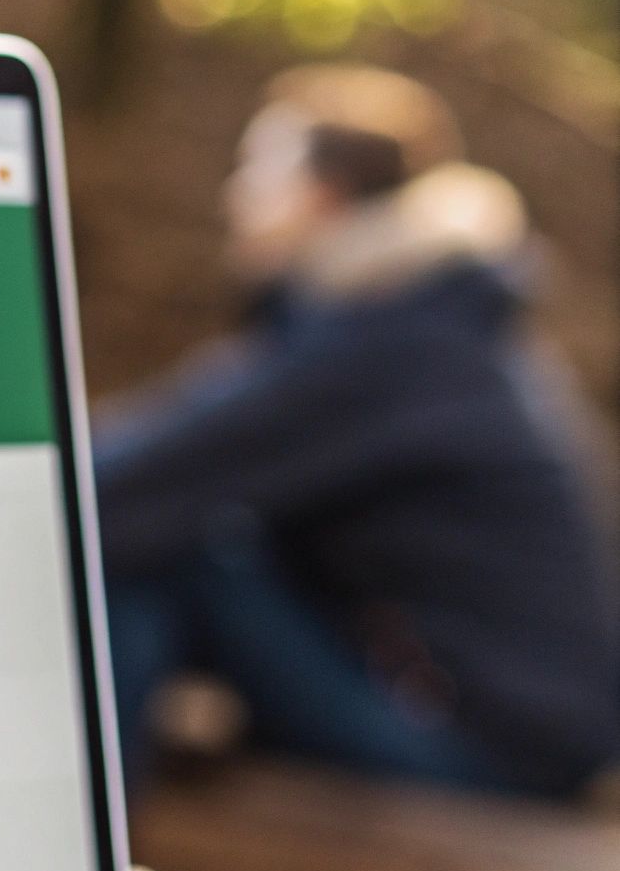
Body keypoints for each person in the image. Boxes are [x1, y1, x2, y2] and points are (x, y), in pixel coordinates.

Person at [96, 64, 619, 800]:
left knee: (166, 549)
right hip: (507, 724)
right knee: (176, 533)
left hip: (483, 748)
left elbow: (136, 479)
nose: (234, 195)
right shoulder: (423, 322)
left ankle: (89, 827)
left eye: (257, 170)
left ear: (324, 196)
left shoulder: (395, 345)